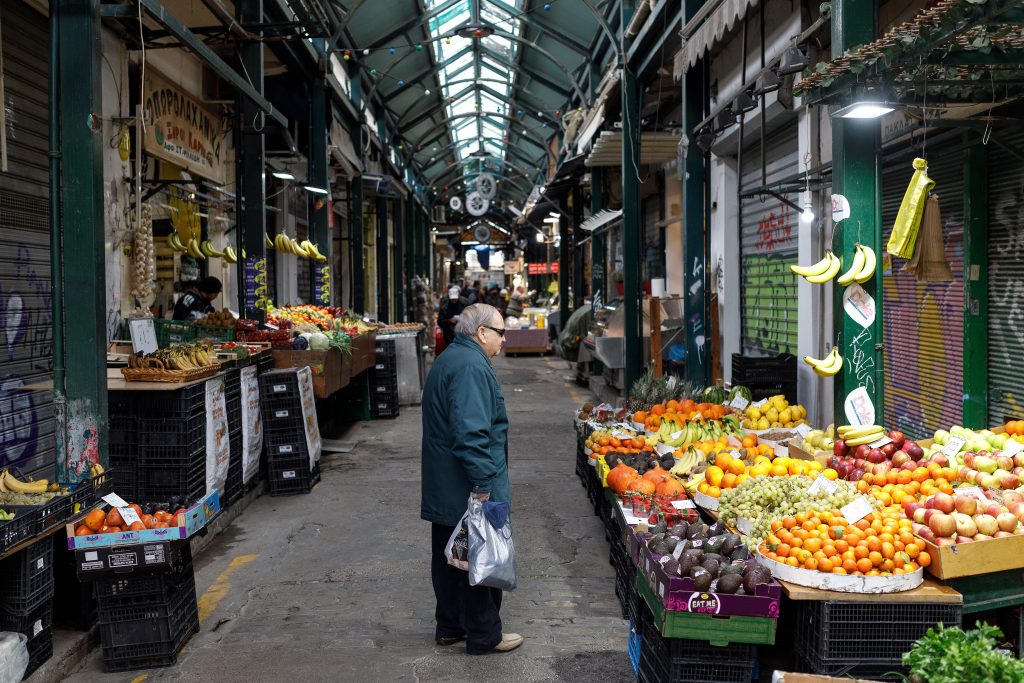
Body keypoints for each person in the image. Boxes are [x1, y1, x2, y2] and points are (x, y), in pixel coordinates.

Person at [420, 303, 522, 655]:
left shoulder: (453, 358)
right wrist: (482, 486)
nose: (504, 339)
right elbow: (471, 433)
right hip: (466, 484)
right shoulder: (470, 367)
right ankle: (485, 634)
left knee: (452, 558)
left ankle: (449, 626)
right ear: (481, 332)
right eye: (500, 331)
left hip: (446, 484)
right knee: (481, 558)